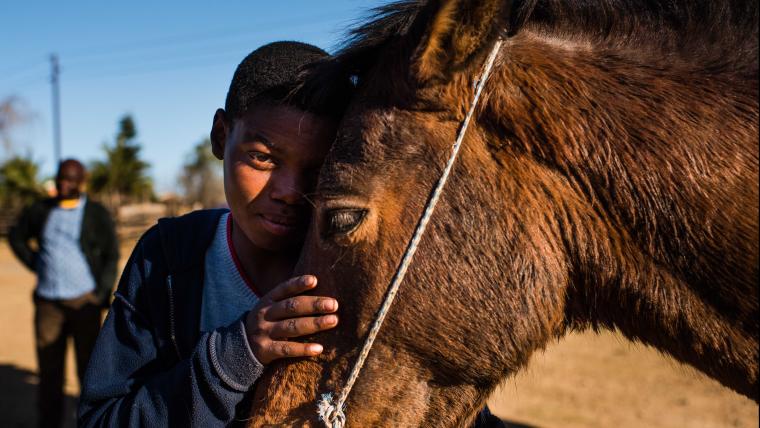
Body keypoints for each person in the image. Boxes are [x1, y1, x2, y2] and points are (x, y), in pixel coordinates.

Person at [79, 41, 504, 427]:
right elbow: (101, 420)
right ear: (221, 136)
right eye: (263, 158)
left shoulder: (367, 267)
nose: (288, 192)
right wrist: (231, 359)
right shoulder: (168, 258)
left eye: (318, 169)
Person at [8, 158, 119, 428]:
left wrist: (101, 293)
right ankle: (49, 421)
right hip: (49, 305)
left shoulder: (95, 213)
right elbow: (17, 236)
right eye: (60, 178)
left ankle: (90, 422)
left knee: (89, 371)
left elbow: (111, 254)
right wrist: (35, 262)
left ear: (82, 182)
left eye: (70, 179)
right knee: (49, 372)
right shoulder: (41, 210)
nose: (63, 184)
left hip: (84, 303)